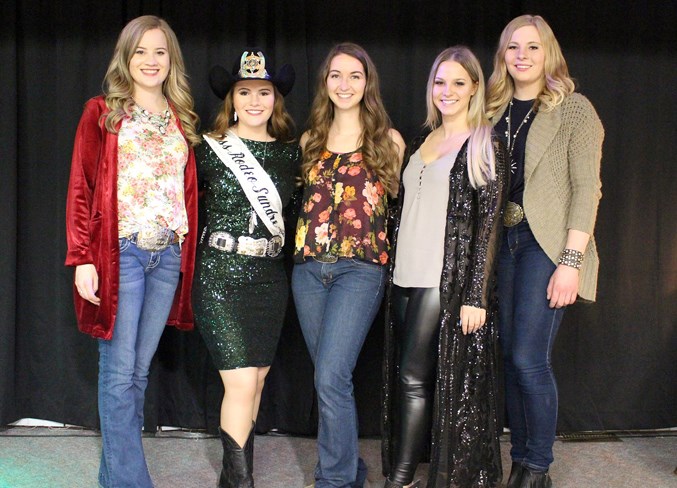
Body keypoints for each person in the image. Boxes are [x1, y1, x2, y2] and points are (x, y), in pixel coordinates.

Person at [65, 15, 199, 488]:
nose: (150, 60)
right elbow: (81, 187)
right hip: (119, 254)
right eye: (140, 51)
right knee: (120, 374)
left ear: (171, 60)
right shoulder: (101, 112)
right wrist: (81, 257)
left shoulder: (180, 118)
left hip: (166, 258)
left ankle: (114, 478)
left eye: (159, 51)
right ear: (126, 56)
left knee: (137, 375)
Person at [486, 15, 604, 488]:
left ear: (548, 53)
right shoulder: (489, 110)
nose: (522, 56)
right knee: (509, 354)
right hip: (502, 243)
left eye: (532, 47)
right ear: (503, 56)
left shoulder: (574, 109)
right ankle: (519, 460)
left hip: (546, 244)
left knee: (529, 359)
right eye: (513, 47)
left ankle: (538, 468)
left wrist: (571, 262)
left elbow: (586, 188)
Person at [381, 46, 508, 488]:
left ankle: (401, 477)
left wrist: (476, 294)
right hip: (404, 274)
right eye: (440, 82)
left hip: (443, 279)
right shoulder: (421, 139)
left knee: (414, 377)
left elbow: (489, 225)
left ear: (475, 87)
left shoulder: (484, 142)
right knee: (408, 374)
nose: (447, 91)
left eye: (458, 82)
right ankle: (410, 467)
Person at [292, 42, 405, 488]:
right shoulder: (310, 141)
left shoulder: (388, 142)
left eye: (354, 76)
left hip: (360, 270)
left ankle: (335, 480)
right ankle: (348, 470)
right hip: (308, 272)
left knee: (332, 374)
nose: (344, 84)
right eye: (336, 75)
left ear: (367, 83)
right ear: (325, 83)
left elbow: (401, 207)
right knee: (328, 379)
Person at [193, 48, 299, 488]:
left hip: (269, 279)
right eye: (244, 92)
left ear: (276, 99)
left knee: (254, 383)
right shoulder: (208, 149)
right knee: (239, 384)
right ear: (231, 99)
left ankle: (231, 479)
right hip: (220, 274)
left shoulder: (294, 155)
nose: (254, 101)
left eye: (264, 92)